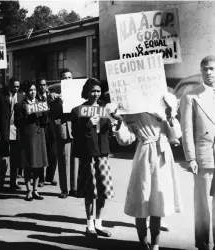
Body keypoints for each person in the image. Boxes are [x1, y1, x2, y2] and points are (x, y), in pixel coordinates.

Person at [108, 92, 182, 250]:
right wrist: (119, 121)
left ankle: (155, 245)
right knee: (141, 199)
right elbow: (125, 140)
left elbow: (175, 136)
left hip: (162, 156)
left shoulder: (162, 103)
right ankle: (143, 243)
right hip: (144, 155)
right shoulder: (131, 109)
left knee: (158, 201)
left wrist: (169, 115)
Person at [71, 78, 114, 238]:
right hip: (88, 154)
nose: (96, 94)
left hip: (102, 154)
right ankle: (89, 224)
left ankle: (99, 223)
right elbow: (75, 134)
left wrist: (113, 123)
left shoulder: (104, 110)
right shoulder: (78, 111)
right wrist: (88, 124)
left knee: (102, 189)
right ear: (86, 92)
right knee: (90, 189)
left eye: (98, 91)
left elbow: (107, 131)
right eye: (92, 91)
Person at [181, 55, 215, 250]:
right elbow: (186, 129)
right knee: (202, 203)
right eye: (204, 69)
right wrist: (190, 157)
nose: (208, 72)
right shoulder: (191, 95)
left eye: (211, 68)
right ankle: (204, 243)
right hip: (203, 156)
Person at [14, 81, 48, 201]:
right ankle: (28, 190)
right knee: (28, 164)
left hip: (39, 136)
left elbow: (45, 123)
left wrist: (44, 114)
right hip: (27, 137)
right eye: (30, 90)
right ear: (25, 92)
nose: (32, 92)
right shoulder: (19, 105)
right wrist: (26, 116)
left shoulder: (41, 103)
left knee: (38, 165)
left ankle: (35, 190)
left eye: (34, 90)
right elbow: (17, 123)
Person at [0, 77, 25, 189]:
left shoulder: (21, 97)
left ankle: (13, 181)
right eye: (14, 86)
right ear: (9, 86)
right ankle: (0, 181)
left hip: (17, 130)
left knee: (15, 158)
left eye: (18, 86)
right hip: (4, 130)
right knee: (3, 157)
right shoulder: (1, 96)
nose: (16, 88)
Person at [51, 68, 78, 198]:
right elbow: (52, 115)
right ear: (61, 80)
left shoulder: (78, 93)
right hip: (63, 129)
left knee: (75, 160)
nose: (67, 80)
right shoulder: (55, 95)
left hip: (76, 129)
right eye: (64, 77)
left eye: (69, 77)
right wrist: (58, 101)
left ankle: (75, 188)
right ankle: (64, 189)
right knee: (63, 160)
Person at [37, 77, 58, 187]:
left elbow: (57, 111)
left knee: (53, 154)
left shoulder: (51, 98)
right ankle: (41, 178)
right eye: (40, 85)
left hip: (51, 129)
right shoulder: (34, 99)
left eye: (44, 85)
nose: (42, 87)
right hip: (40, 129)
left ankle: (50, 177)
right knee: (41, 154)